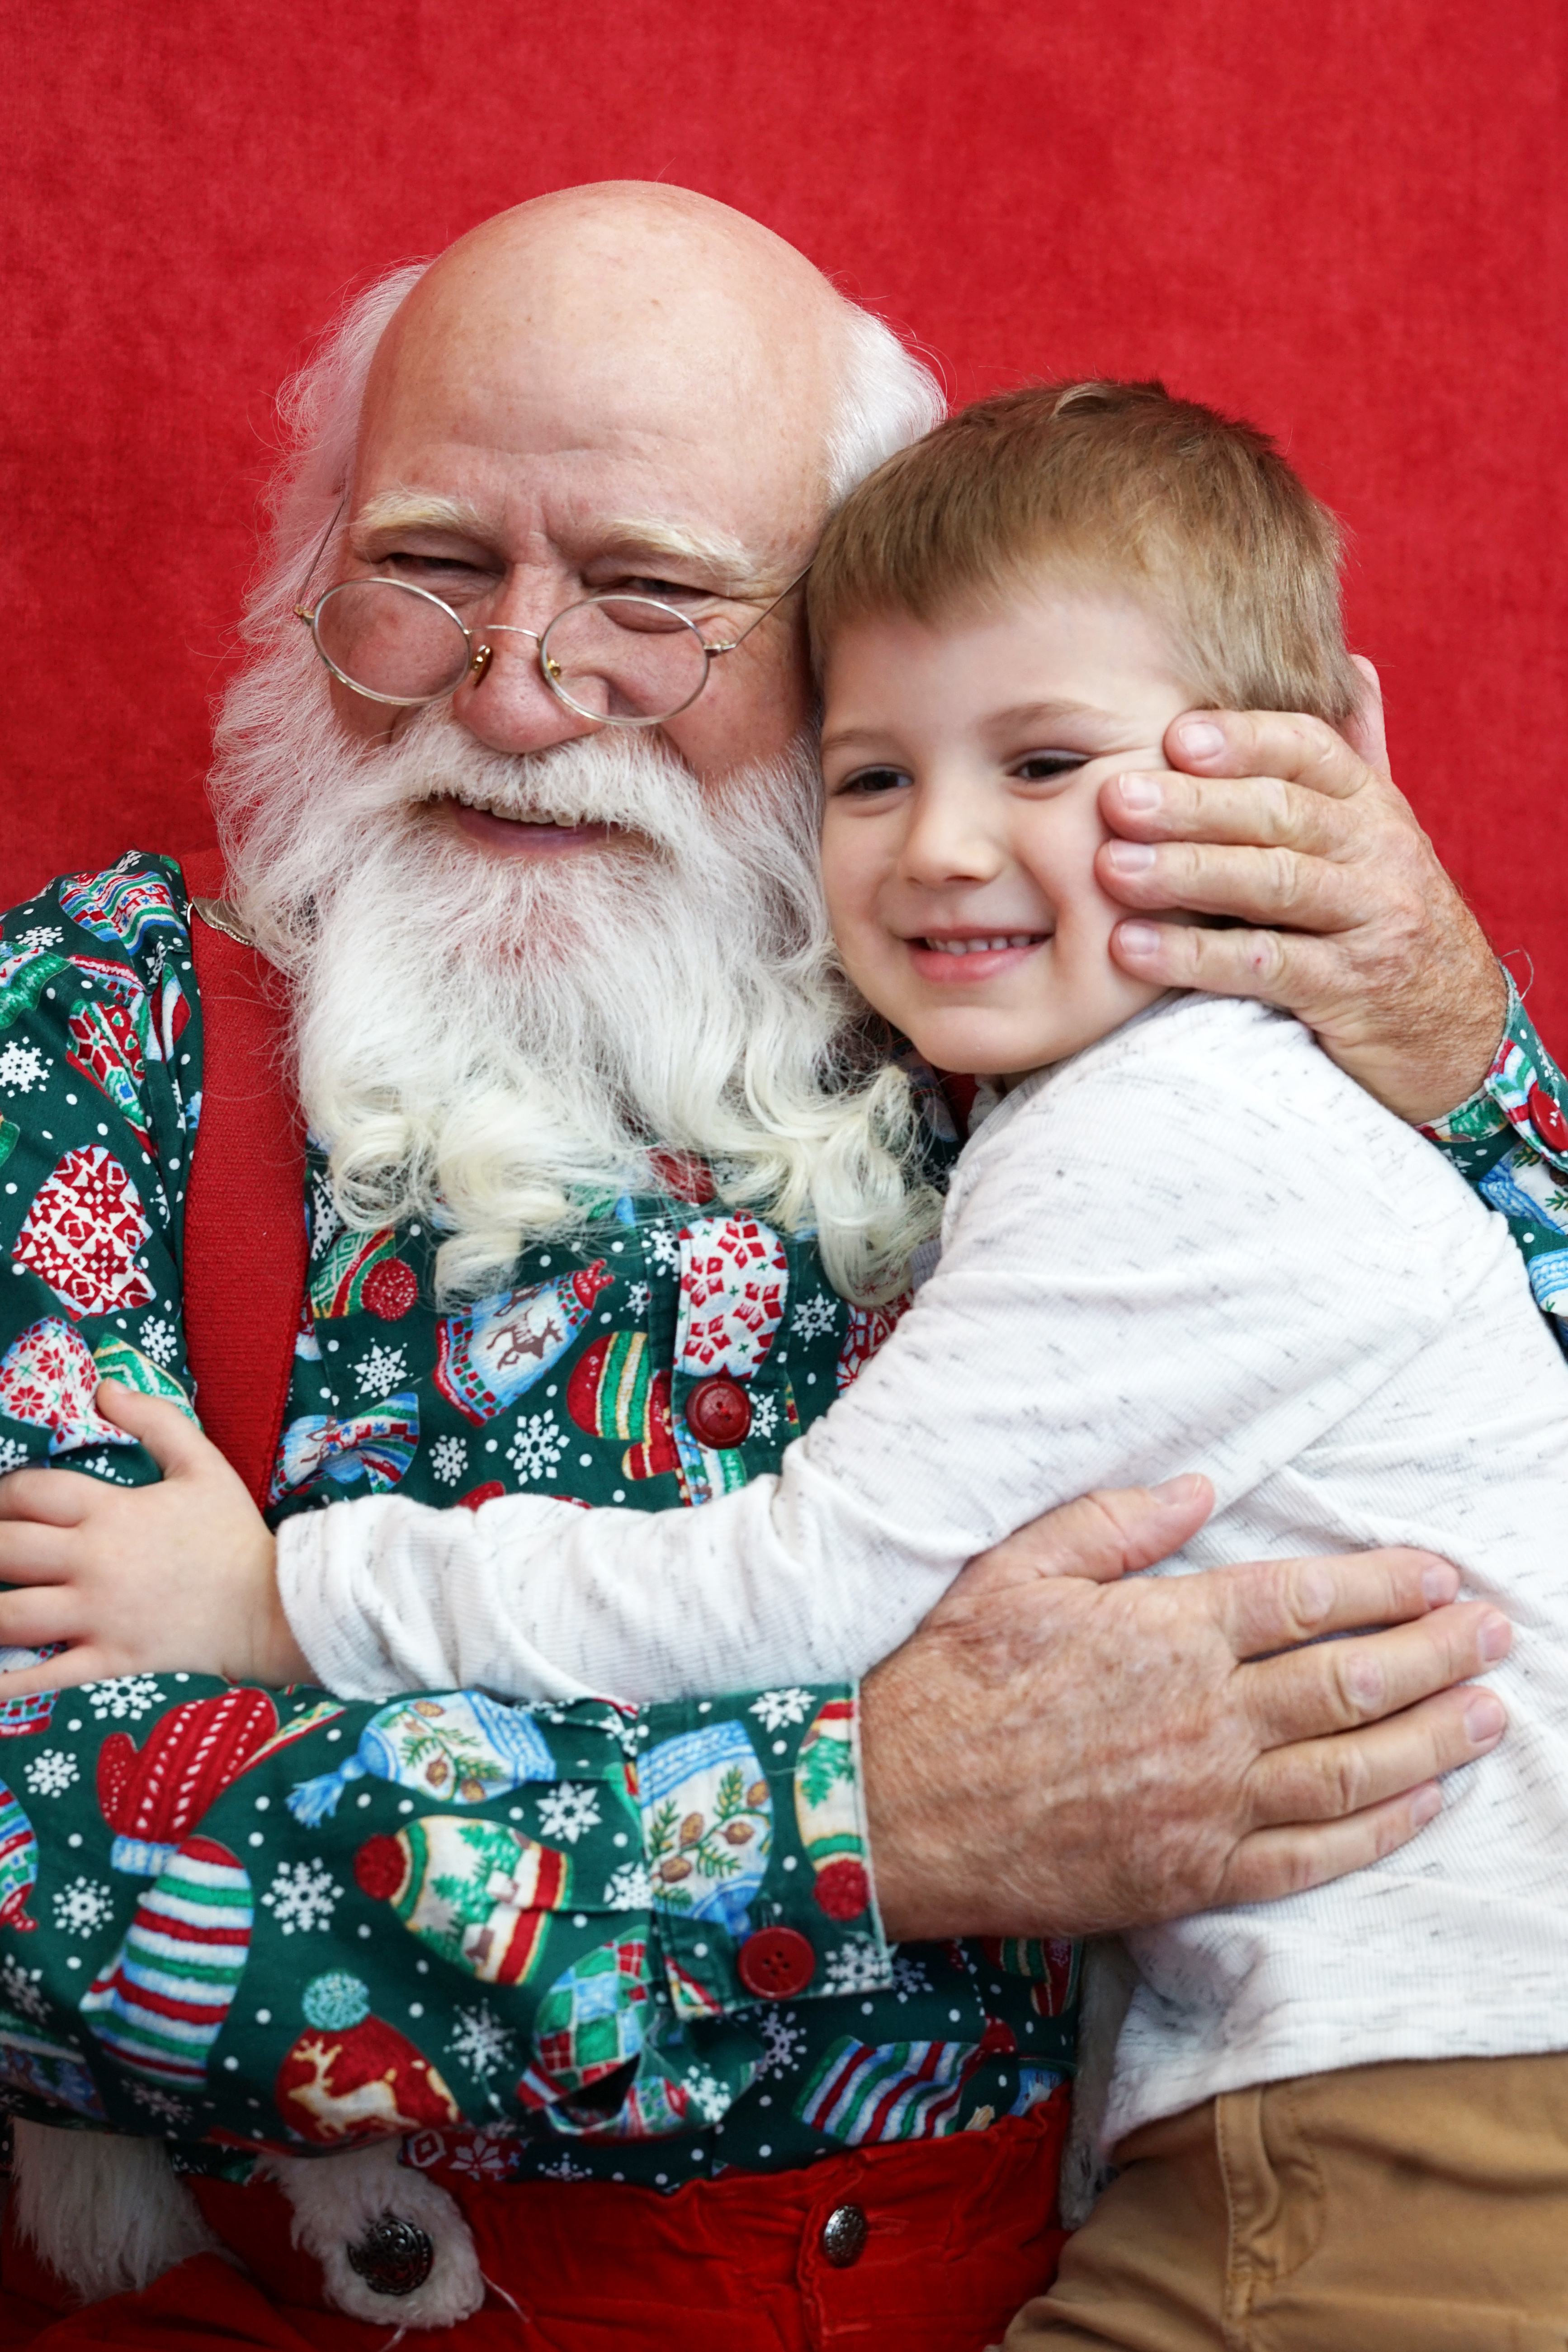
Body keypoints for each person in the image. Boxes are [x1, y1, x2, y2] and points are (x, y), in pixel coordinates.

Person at [0, 187, 1557, 2350]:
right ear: (307, 581)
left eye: (650, 593)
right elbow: (24, 1860)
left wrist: (1461, 1040)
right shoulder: (99, 1027)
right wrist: (859, 1820)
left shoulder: (1038, 993)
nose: (523, 688)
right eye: (431, 563)